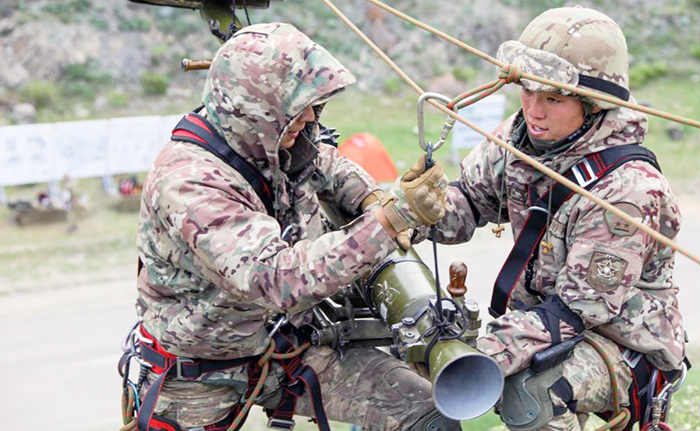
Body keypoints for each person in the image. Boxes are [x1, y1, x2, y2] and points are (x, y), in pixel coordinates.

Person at [126, 23, 457, 431]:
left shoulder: (276, 141)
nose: (309, 117)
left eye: (312, 105)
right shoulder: (190, 181)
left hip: (285, 348)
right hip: (200, 375)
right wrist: (388, 222)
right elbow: (276, 278)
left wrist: (374, 200)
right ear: (254, 108)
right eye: (295, 106)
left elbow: (326, 166)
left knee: (426, 414)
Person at [421, 7, 686, 431]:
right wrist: (412, 211)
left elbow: (578, 311)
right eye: (527, 91)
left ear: (593, 105)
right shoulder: (521, 137)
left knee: (533, 393)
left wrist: (486, 349)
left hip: (619, 341)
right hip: (542, 319)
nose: (534, 110)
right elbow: (469, 203)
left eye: (553, 99)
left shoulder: (629, 191)